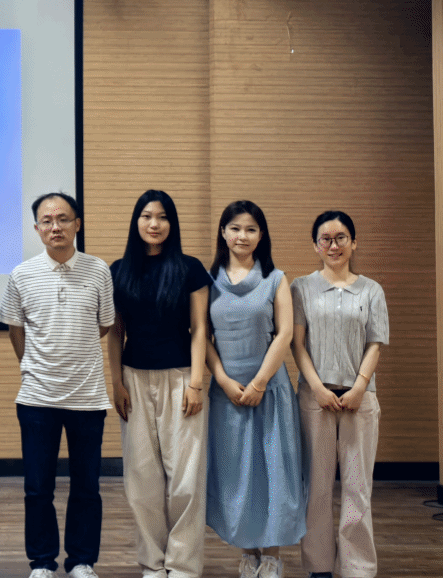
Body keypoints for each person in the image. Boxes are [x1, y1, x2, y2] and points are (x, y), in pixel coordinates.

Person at [0, 192, 114, 578]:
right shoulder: (22, 274)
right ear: (36, 228)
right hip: (37, 397)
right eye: (47, 221)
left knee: (87, 485)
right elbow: (16, 330)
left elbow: (104, 324)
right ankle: (42, 561)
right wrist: (36, 365)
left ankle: (82, 561)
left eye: (63, 219)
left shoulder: (99, 270)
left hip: (88, 397)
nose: (55, 227)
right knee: (38, 487)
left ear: (77, 224)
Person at [106, 189, 211, 578]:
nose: (154, 224)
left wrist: (196, 383)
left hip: (181, 377)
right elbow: (115, 332)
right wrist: (116, 382)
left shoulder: (190, 268)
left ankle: (182, 567)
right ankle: (152, 565)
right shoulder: (119, 270)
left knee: (186, 479)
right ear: (136, 221)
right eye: (147, 216)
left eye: (163, 217)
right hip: (133, 379)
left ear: (172, 223)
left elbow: (200, 329)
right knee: (142, 479)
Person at [204, 201, 306, 578]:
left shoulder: (276, 279)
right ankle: (248, 553)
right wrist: (224, 380)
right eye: (234, 228)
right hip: (227, 393)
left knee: (274, 472)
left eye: (250, 229)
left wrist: (259, 382)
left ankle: (273, 556)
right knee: (236, 474)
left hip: (270, 391)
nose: (242, 236)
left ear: (261, 235)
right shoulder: (207, 280)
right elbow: (202, 337)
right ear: (223, 233)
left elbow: (285, 333)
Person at [291, 210, 389, 578]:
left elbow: (375, 342)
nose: (334, 245)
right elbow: (296, 344)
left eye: (341, 238)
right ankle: (318, 566)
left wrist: (360, 386)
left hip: (360, 400)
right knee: (316, 488)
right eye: (326, 239)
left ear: (353, 242)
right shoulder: (301, 287)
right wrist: (317, 387)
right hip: (315, 399)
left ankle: (357, 568)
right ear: (315, 245)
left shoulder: (371, 290)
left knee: (357, 488)